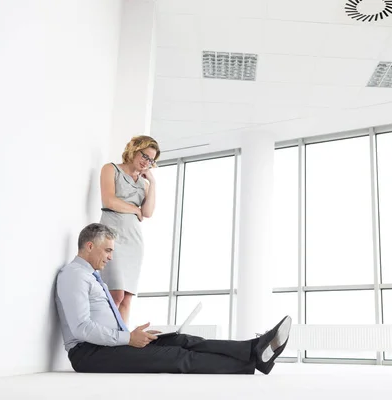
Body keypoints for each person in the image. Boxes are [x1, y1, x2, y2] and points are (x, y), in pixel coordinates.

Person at [55, 223, 292, 374]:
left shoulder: (92, 276)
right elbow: (82, 328)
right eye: (108, 250)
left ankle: (254, 347)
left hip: (110, 343)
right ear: (89, 246)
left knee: (182, 340)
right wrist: (127, 338)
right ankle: (253, 362)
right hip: (89, 354)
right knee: (176, 357)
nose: (111, 257)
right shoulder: (73, 276)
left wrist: (130, 334)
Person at [99, 135, 160, 325]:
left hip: (134, 241)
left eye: (151, 160)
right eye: (144, 156)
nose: (146, 162)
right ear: (134, 149)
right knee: (114, 294)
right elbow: (109, 200)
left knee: (126, 299)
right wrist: (134, 209)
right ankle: (105, 339)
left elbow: (148, 212)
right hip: (111, 236)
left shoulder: (144, 183)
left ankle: (122, 346)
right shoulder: (111, 169)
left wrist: (153, 183)